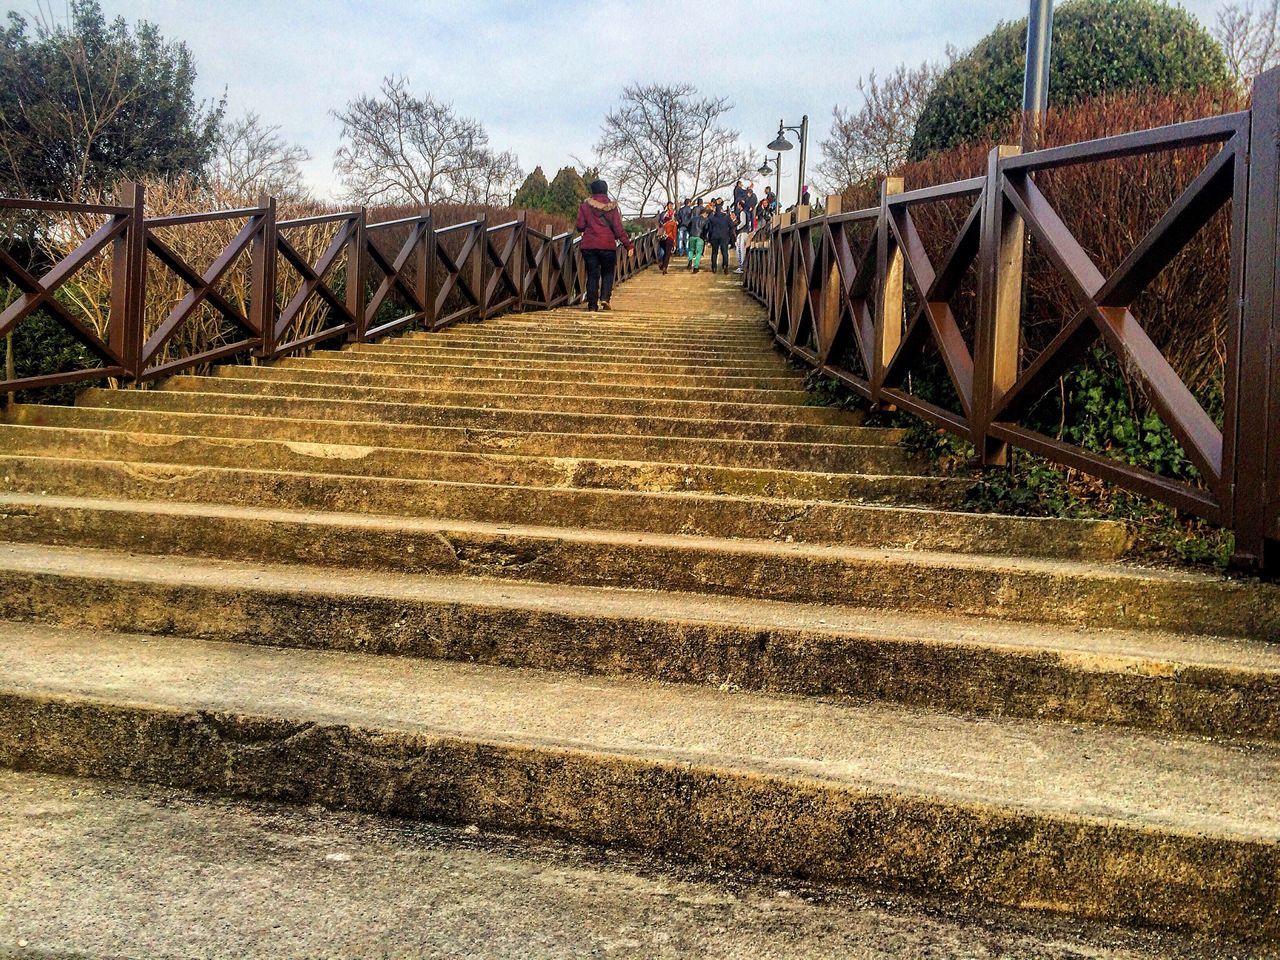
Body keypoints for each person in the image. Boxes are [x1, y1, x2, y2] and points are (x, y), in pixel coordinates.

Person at [575, 178, 634, 311]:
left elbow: (580, 226)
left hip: (589, 246)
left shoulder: (585, 206)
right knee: (607, 272)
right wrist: (628, 245)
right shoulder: (612, 208)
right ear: (605, 191)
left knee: (592, 274)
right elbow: (618, 229)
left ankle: (592, 305)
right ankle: (605, 298)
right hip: (607, 246)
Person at [704, 199, 736, 275]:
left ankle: (714, 267)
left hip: (714, 237)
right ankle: (725, 266)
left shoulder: (712, 218)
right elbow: (732, 226)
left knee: (714, 253)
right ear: (721, 209)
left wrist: (709, 238)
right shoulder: (726, 217)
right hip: (724, 236)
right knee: (724, 252)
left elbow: (709, 226)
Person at [686, 204, 708, 273]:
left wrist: (690, 233)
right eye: (707, 214)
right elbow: (705, 230)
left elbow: (688, 226)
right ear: (704, 213)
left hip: (692, 236)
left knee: (691, 250)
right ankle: (696, 267)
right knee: (698, 252)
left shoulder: (693, 219)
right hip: (700, 237)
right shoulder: (705, 220)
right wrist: (705, 238)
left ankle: (690, 260)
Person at [659, 210, 677, 274]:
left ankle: (661, 263)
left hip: (662, 239)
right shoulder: (673, 223)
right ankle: (665, 267)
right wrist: (674, 244)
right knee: (667, 254)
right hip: (669, 239)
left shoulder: (662, 223)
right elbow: (674, 234)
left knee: (663, 252)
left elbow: (659, 232)